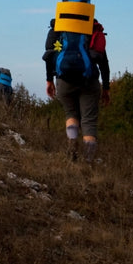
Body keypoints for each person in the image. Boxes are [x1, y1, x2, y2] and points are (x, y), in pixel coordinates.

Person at [44, 10, 110, 162]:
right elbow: (103, 62)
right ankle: (88, 161)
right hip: (89, 81)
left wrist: (49, 81)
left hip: (64, 80)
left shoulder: (58, 27)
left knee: (71, 115)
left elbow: (49, 56)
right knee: (89, 121)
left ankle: (72, 150)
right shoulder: (92, 27)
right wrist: (106, 87)